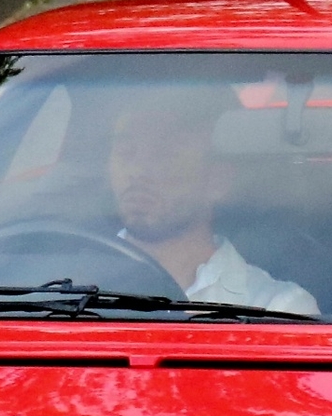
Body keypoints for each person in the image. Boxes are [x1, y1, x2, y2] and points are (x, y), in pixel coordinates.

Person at [106, 94, 320, 316]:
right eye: (125, 153)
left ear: (219, 180)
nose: (137, 172)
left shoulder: (277, 308)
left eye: (164, 155)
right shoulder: (72, 284)